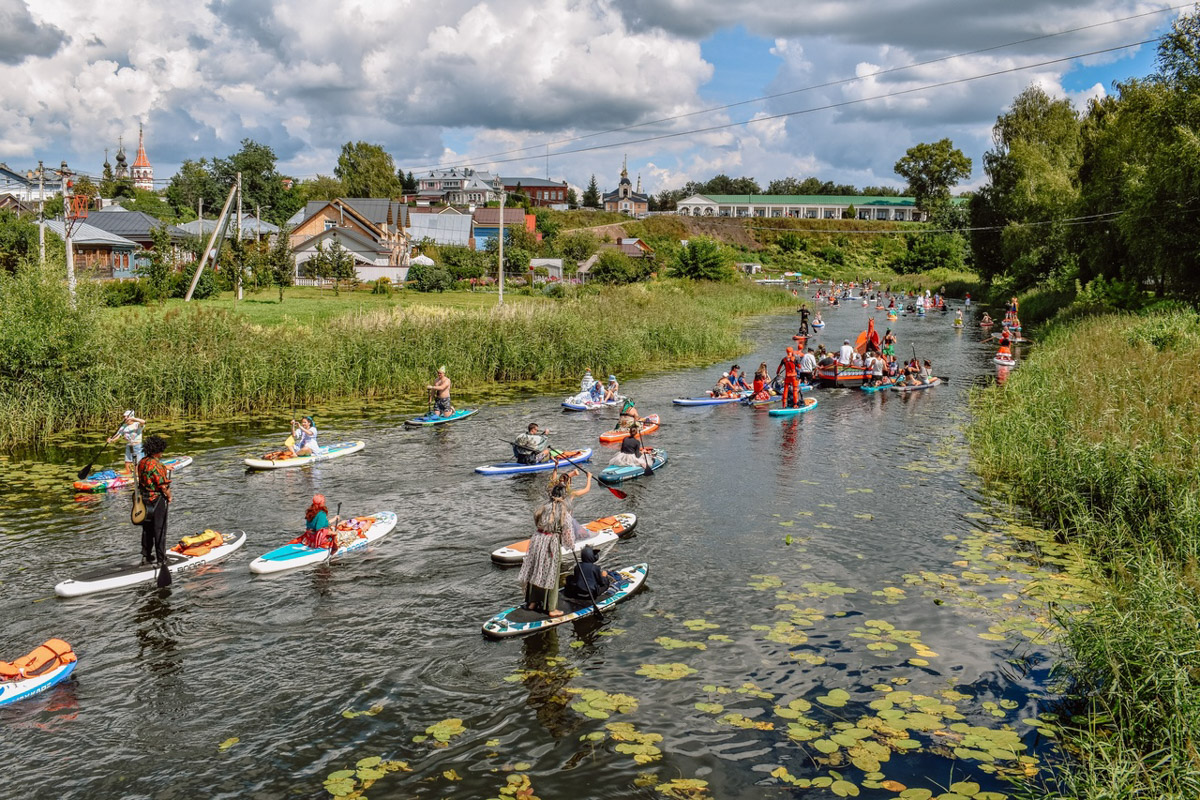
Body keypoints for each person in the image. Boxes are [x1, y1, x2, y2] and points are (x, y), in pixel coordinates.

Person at [520, 470, 591, 617]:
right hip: (551, 542)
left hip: (537, 540)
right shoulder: (563, 512)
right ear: (563, 496)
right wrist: (571, 545)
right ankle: (551, 608)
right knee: (551, 573)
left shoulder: (543, 507)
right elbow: (567, 533)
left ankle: (532, 602)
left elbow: (536, 521)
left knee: (536, 569)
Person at [136, 434, 172, 567]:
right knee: (160, 529)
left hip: (143, 499)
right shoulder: (157, 465)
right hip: (156, 499)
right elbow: (163, 486)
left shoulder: (142, 462)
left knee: (147, 529)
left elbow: (148, 472)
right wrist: (169, 496)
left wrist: (164, 468)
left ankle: (146, 556)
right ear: (158, 450)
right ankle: (161, 559)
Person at [108, 410, 145, 475]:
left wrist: (133, 418)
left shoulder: (137, 424)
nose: (124, 418)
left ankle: (137, 475)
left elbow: (143, 422)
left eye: (126, 417)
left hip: (137, 446)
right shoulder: (123, 427)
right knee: (127, 461)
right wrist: (111, 440)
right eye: (124, 417)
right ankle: (128, 474)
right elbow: (117, 436)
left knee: (137, 463)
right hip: (129, 445)